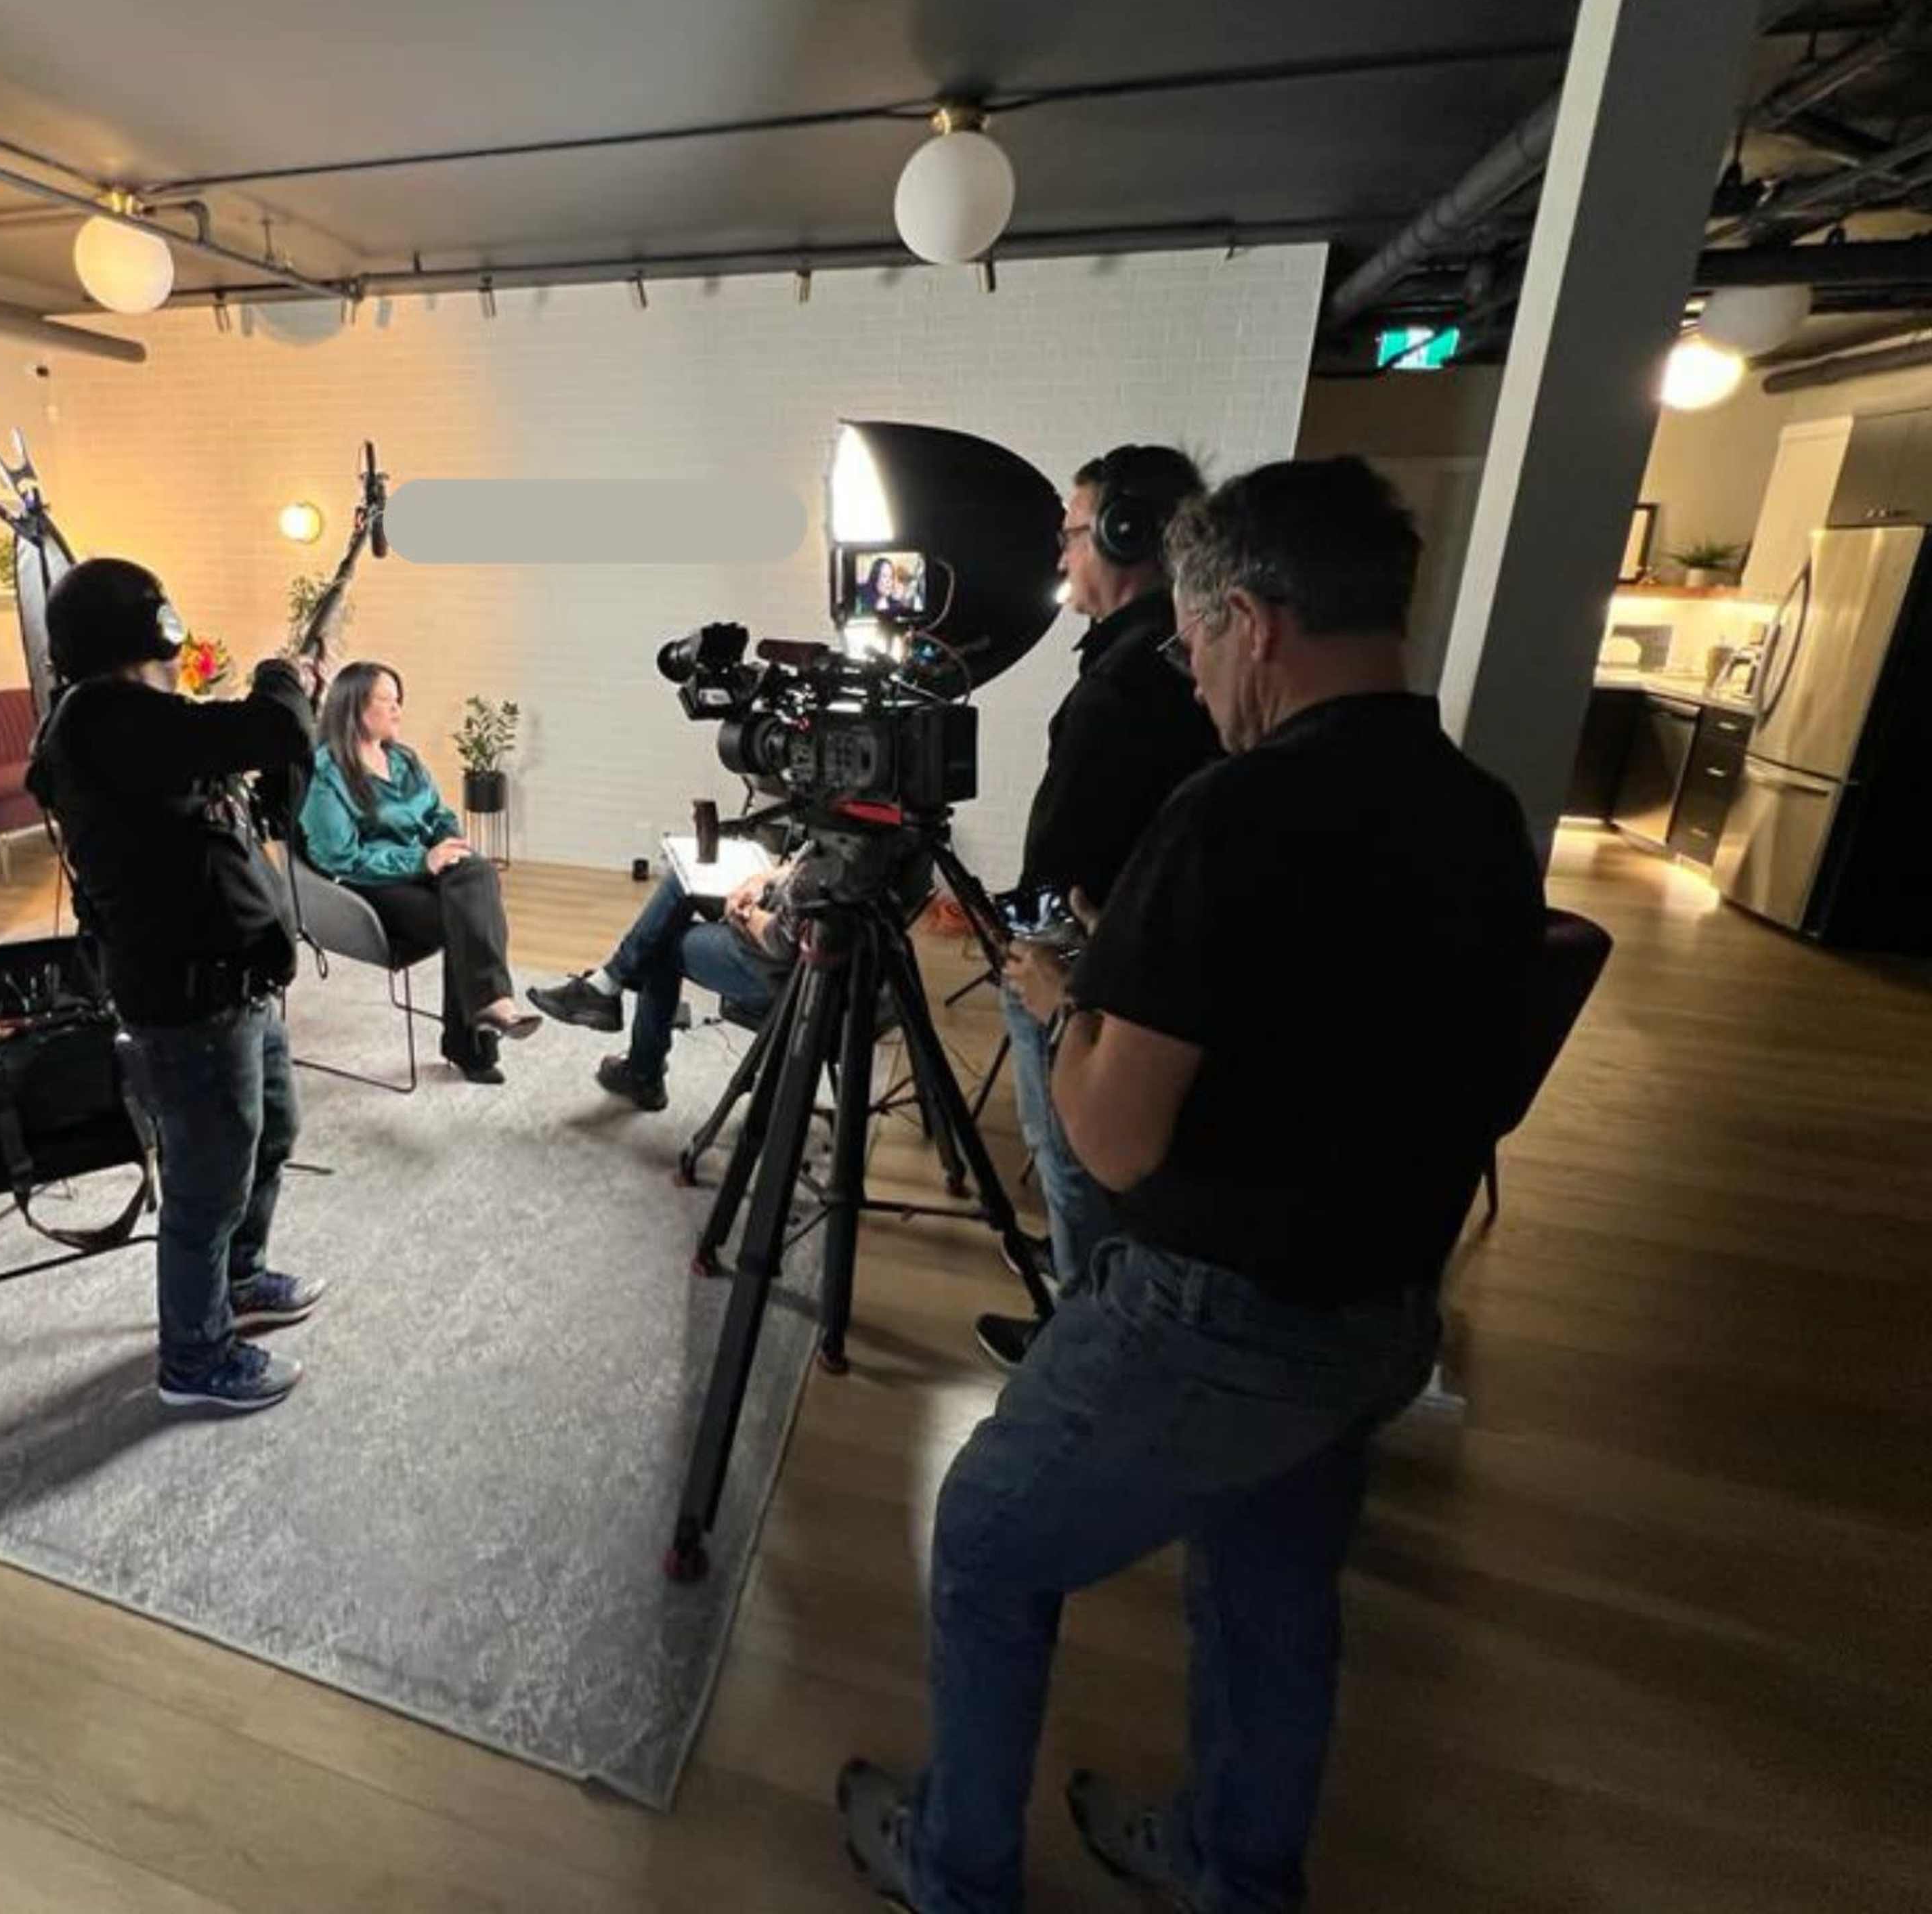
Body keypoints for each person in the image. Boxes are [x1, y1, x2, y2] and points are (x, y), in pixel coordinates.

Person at [836, 458, 1545, 1914]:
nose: (1196, 672)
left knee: (981, 1539)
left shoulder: (1233, 818)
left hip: (1219, 1309)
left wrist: (1061, 1001)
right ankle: (1235, 1872)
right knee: (1270, 1598)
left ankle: (960, 1869)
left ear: (1258, 621)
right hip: (1378, 1310)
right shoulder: (1481, 808)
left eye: (1201, 639)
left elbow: (1108, 1143)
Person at [24, 557, 330, 1416]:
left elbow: (261, 783)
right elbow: (273, 729)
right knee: (208, 1182)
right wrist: (286, 675)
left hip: (236, 985)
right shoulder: (106, 720)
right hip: (193, 1002)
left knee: (270, 1136)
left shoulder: (136, 722)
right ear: (152, 627)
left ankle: (239, 1280)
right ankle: (194, 1358)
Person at [982, 443, 1223, 1368]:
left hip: (1085, 955)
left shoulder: (1128, 681)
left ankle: (1075, 1337)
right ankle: (1089, 1281)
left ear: (1125, 538)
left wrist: (1033, 945)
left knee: (1069, 1151)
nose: (1060, 557)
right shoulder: (1169, 654)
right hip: (1128, 948)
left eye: (1072, 534)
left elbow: (1075, 845)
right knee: (1081, 1162)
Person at [295, 661, 541, 1084]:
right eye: (387, 701)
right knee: (463, 917)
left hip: (421, 865)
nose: (398, 711)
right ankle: (476, 1042)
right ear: (354, 707)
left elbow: (438, 813)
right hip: (366, 887)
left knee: (477, 872)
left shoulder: (403, 760)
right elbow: (340, 858)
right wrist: (419, 862)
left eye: (398, 701)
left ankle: (490, 1007)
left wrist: (450, 844)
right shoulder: (327, 772)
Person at [524, 846, 804, 1111]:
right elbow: (802, 870)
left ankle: (638, 1063)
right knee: (684, 879)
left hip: (781, 974)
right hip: (782, 937)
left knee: (662, 941)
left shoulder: (841, 859)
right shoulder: (839, 846)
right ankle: (608, 988)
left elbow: (781, 940)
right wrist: (760, 880)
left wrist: (747, 913)